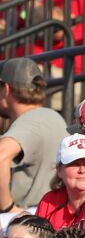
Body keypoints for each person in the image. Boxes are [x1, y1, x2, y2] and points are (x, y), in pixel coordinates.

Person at [0, 58, 68, 212]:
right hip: (42, 215)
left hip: (31, 218)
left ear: (6, 89)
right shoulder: (44, 116)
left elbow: (1, 155)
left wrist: (7, 208)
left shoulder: (36, 118)